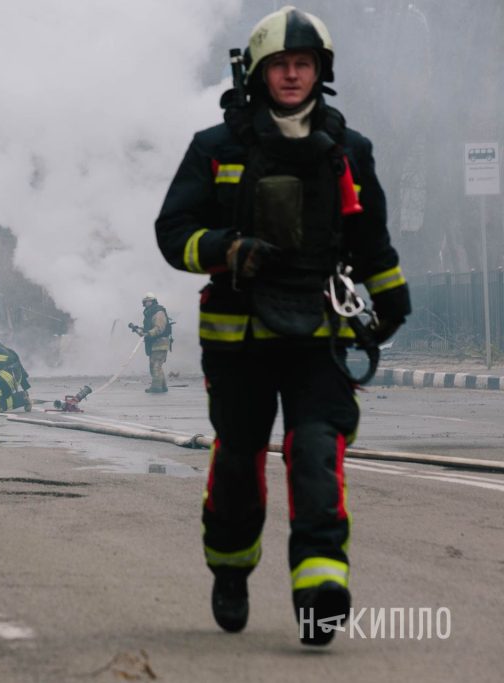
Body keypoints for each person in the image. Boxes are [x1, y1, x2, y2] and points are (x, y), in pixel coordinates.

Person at [154, 6, 410, 646]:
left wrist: (392, 304)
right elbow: (173, 234)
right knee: (239, 463)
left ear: (320, 72)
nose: (292, 75)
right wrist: (226, 249)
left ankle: (320, 590)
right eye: (280, 66)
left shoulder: (349, 152)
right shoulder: (216, 149)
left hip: (318, 338)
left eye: (303, 65)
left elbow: (372, 243)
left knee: (317, 456)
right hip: (238, 343)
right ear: (259, 73)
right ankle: (231, 568)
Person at [136, 293, 171, 393]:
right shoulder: (150, 313)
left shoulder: (158, 312)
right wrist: (141, 330)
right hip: (154, 344)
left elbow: (159, 328)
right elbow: (150, 329)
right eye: (146, 301)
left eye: (149, 301)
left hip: (160, 342)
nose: (147, 303)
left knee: (155, 366)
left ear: (153, 301)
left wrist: (148, 333)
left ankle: (156, 388)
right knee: (156, 365)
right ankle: (163, 386)